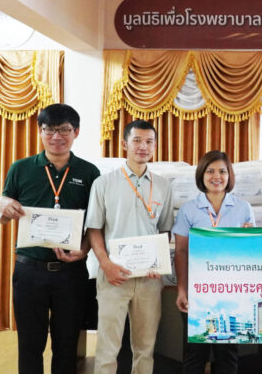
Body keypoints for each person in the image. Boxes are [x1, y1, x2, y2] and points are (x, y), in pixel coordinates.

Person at [0, 104, 100, 373]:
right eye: (49, 129)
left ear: (76, 132)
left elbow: (96, 224)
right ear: (40, 131)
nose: (56, 136)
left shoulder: (89, 173)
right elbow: (4, 210)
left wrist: (84, 250)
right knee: (30, 343)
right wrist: (1, 201)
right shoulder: (20, 168)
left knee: (67, 344)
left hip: (71, 273)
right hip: (29, 271)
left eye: (64, 130)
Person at [85, 119, 174, 374]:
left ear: (155, 146)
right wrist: (106, 265)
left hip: (149, 280)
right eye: (137, 140)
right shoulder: (104, 183)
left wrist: (158, 262)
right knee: (108, 348)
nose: (143, 146)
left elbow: (164, 229)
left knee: (145, 348)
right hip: (113, 276)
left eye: (149, 142)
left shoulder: (163, 185)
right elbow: (94, 229)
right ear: (125, 144)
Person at [173, 150, 255, 374]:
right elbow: (181, 251)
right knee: (195, 353)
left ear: (230, 175)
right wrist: (182, 290)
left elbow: (250, 254)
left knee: (227, 354)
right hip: (197, 292)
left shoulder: (243, 208)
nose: (216, 176)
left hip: (231, 292)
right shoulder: (189, 209)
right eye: (210, 171)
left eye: (222, 171)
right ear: (201, 175)